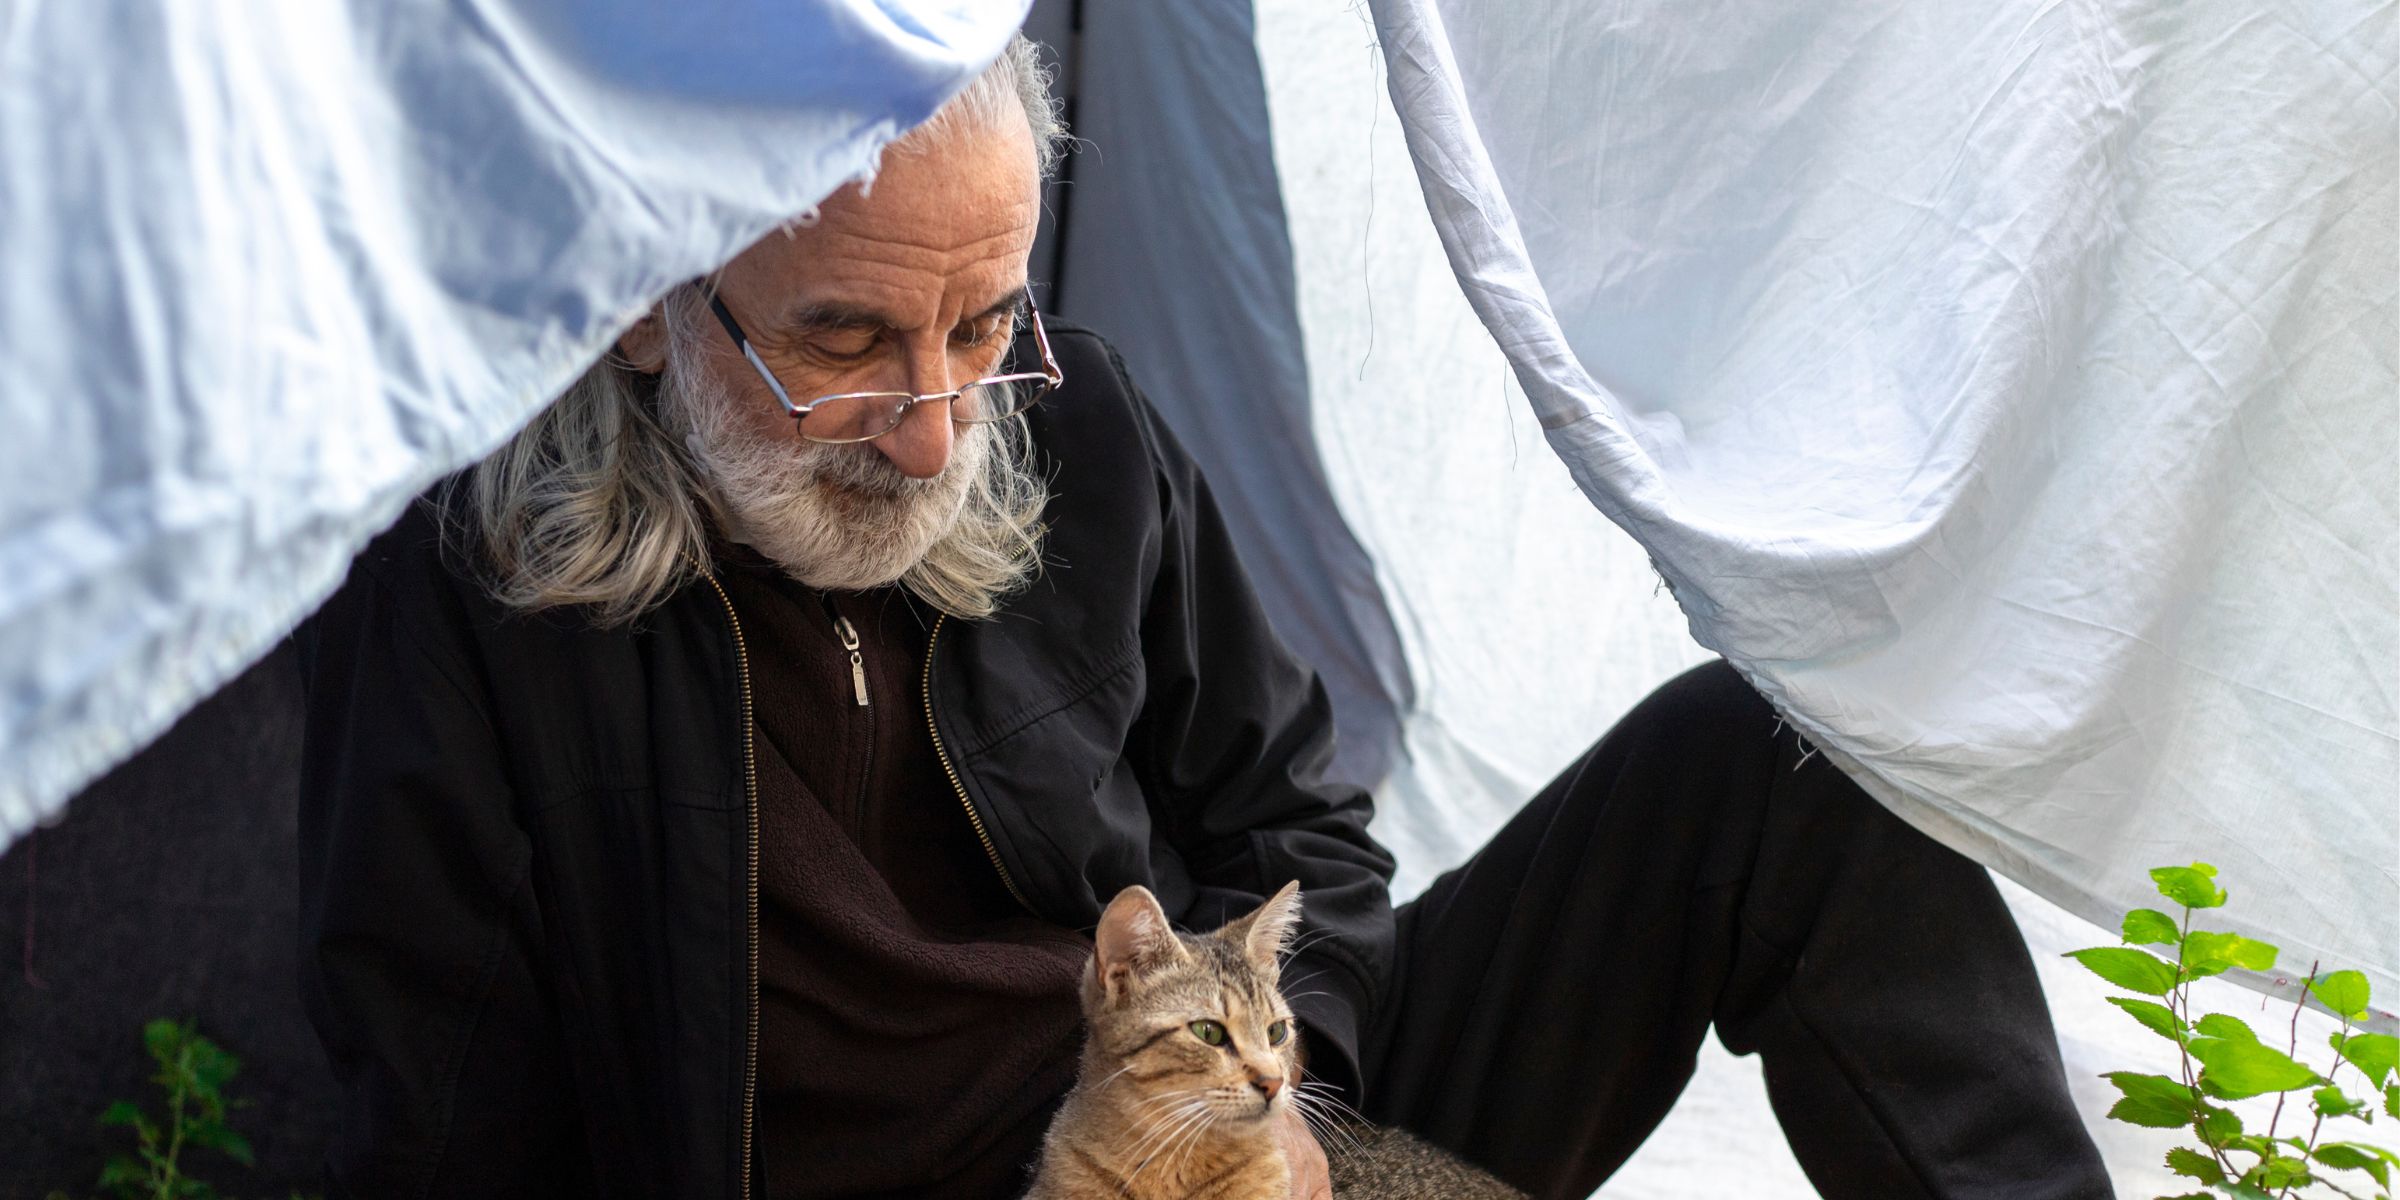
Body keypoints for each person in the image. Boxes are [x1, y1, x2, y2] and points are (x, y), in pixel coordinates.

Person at [295, 34, 2111, 1200]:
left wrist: (1284, 1138)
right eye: (845, 340)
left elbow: (1301, 832)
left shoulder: (1077, 429)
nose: (935, 429)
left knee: (1775, 762)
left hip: (1238, 1124)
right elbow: (448, 1130)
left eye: (984, 318)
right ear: (645, 299)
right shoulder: (476, 593)